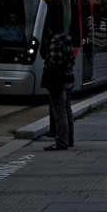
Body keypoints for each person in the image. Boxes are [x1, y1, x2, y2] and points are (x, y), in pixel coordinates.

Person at [42, 12, 75, 151]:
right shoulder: (68, 38)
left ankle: (61, 141)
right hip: (68, 78)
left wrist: (46, 68)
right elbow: (71, 60)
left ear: (51, 28)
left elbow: (54, 63)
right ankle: (69, 139)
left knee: (59, 110)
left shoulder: (55, 41)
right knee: (67, 108)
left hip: (58, 81)